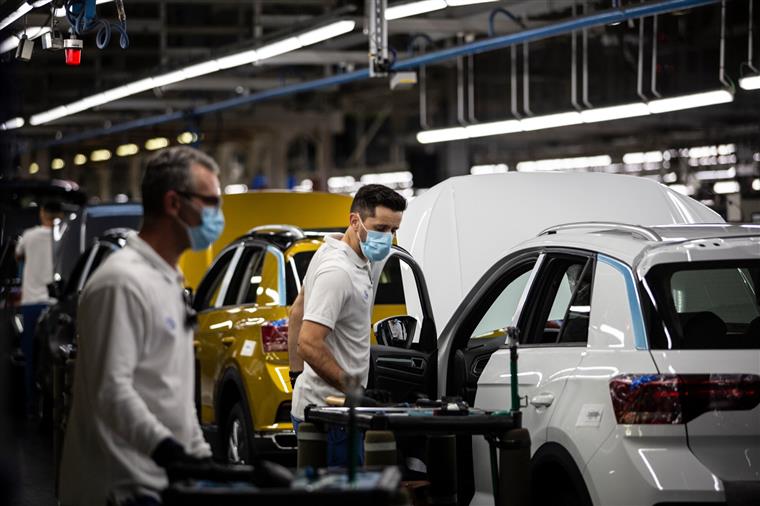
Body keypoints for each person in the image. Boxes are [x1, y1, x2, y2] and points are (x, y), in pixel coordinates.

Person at [59, 146, 225, 506]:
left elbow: (172, 392)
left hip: (157, 484)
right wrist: (167, 451)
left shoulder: (168, 281)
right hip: (119, 488)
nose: (218, 215)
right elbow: (112, 391)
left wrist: (201, 459)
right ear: (173, 203)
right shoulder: (121, 283)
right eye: (210, 202)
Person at [290, 184, 406, 466]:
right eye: (380, 228)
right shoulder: (338, 272)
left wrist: (297, 378)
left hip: (325, 407)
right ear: (355, 221)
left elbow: (296, 313)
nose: (387, 238)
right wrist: (355, 391)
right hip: (331, 415)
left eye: (393, 230)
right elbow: (308, 342)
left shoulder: (339, 254)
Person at [15, 200, 63, 415]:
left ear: (43, 213)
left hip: (31, 303)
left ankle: (30, 405)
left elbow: (18, 256)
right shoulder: (63, 236)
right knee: (54, 357)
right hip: (55, 304)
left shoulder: (29, 236)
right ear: (59, 214)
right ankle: (53, 405)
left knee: (31, 355)